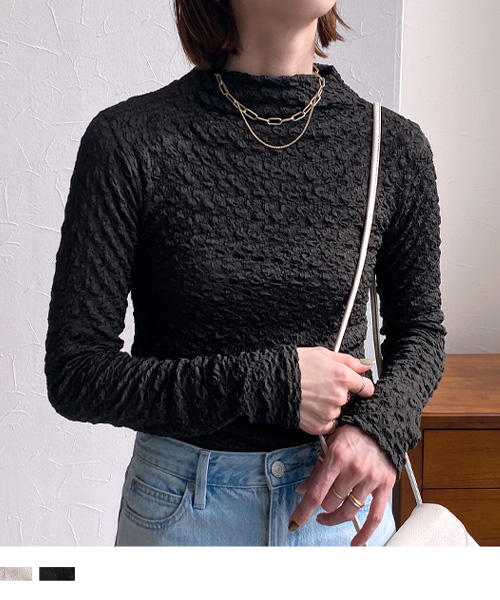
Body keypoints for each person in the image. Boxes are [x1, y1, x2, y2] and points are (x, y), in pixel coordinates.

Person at [44, 0, 447, 547]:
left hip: (336, 509)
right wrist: (273, 384)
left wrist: (381, 430)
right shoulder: (129, 141)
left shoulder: (392, 147)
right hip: (183, 515)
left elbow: (421, 330)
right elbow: (76, 373)